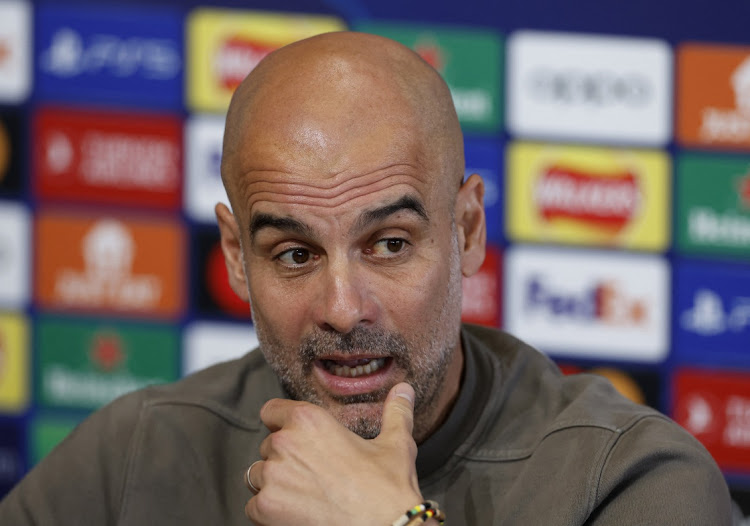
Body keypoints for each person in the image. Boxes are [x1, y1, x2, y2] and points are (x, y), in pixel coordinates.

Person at [0, 31, 733, 525]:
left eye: (387, 243)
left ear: (467, 231)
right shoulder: (133, 458)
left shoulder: (629, 478)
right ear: (234, 257)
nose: (343, 309)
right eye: (294, 254)